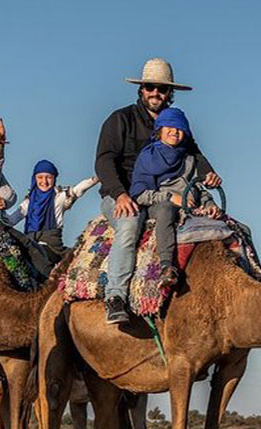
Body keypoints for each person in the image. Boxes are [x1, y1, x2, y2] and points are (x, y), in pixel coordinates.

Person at [95, 58, 221, 323]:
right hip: (123, 194)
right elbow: (104, 160)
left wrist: (209, 176)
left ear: (169, 93)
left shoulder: (174, 126)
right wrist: (120, 194)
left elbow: (195, 156)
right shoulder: (120, 120)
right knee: (130, 224)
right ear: (141, 89)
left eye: (161, 89)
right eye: (150, 87)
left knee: (217, 228)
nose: (155, 93)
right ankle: (115, 296)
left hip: (165, 195)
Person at [129, 108, 220, 288]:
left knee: (236, 228)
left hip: (191, 204)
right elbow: (140, 193)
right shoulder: (148, 157)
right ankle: (166, 265)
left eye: (179, 128)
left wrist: (210, 204)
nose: (174, 131)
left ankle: (252, 272)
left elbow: (198, 187)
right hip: (160, 203)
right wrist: (171, 197)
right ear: (159, 130)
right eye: (169, 126)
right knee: (165, 211)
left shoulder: (189, 159)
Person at [7, 159, 98, 263]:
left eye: (49, 177)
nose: (44, 182)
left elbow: (79, 189)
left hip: (52, 247)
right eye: (40, 177)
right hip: (30, 244)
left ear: (54, 179)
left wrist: (96, 179)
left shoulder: (60, 197)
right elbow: (12, 219)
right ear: (34, 179)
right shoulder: (29, 201)